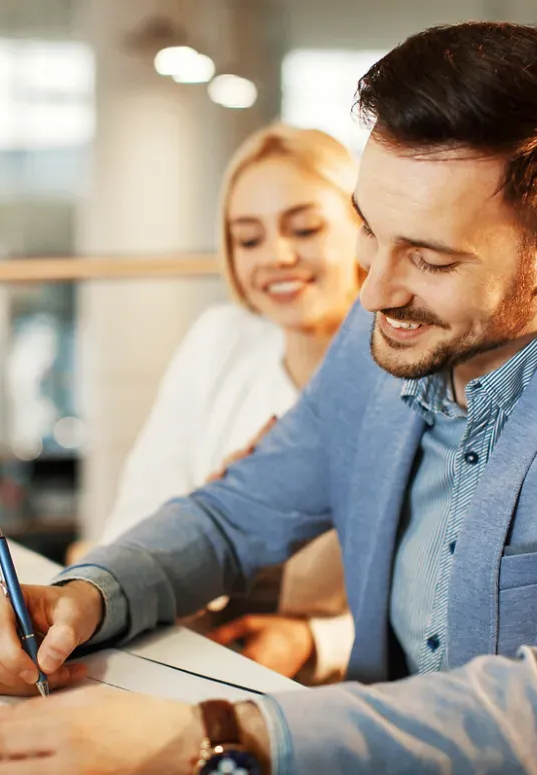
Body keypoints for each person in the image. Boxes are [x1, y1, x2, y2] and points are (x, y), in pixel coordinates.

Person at [0, 19, 537, 774]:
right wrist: (90, 593)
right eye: (369, 230)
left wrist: (220, 732)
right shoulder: (375, 358)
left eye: (429, 260)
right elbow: (236, 515)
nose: (372, 290)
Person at [67, 122, 363, 681]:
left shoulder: (407, 363)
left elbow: (435, 597)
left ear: (363, 227)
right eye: (248, 239)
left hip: (348, 687)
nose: (276, 255)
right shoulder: (221, 339)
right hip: (193, 650)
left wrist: (316, 641)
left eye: (304, 228)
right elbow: (139, 517)